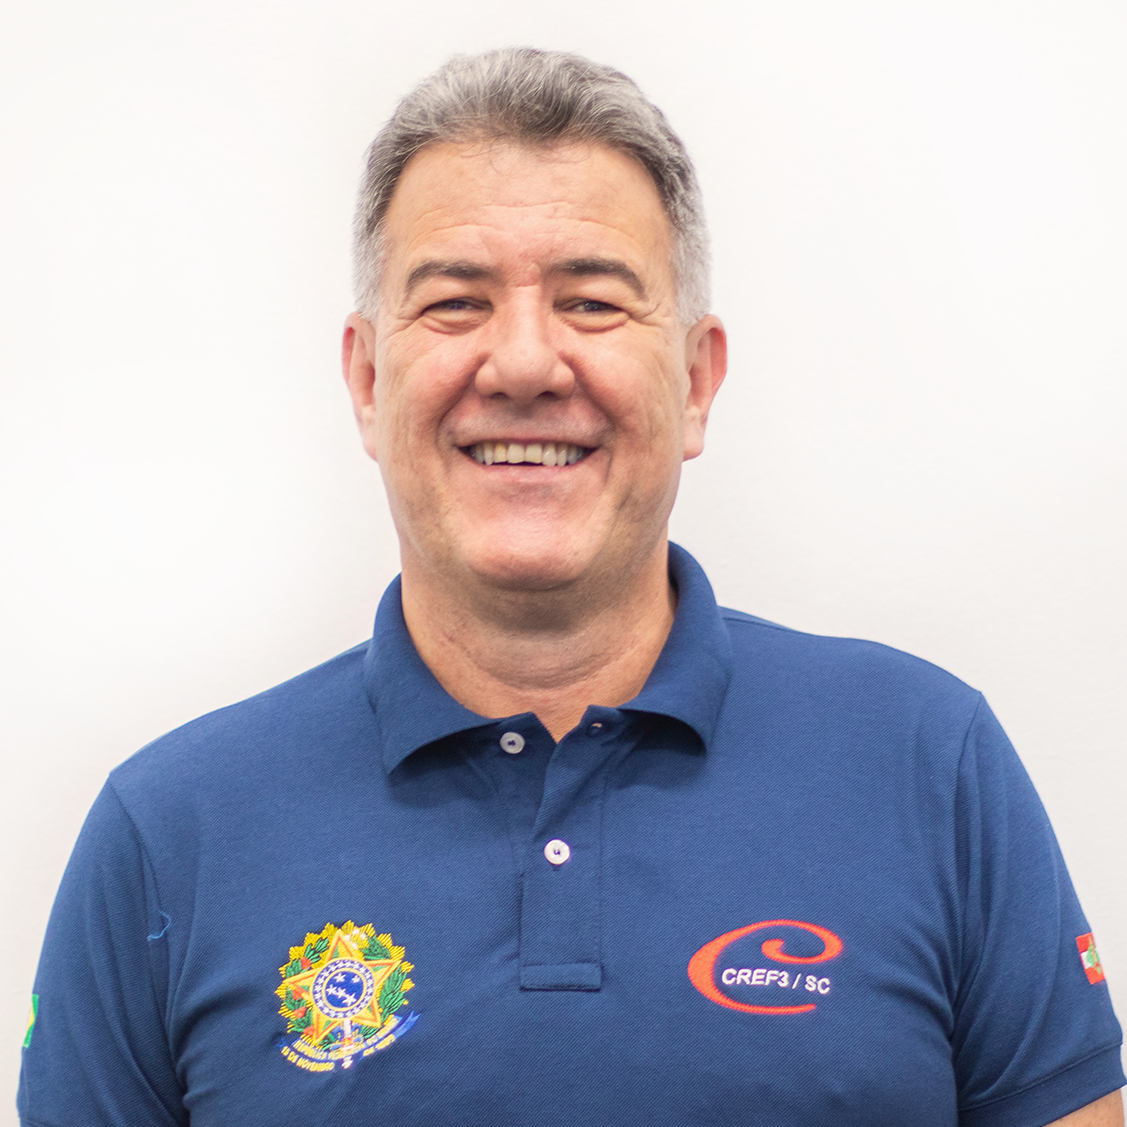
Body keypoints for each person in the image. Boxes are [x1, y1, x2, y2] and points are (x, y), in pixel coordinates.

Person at [17, 47, 1124, 1127]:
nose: (523, 364)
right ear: (365, 379)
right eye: (455, 303)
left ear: (694, 381)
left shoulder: (926, 760)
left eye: (591, 302)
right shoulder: (171, 829)